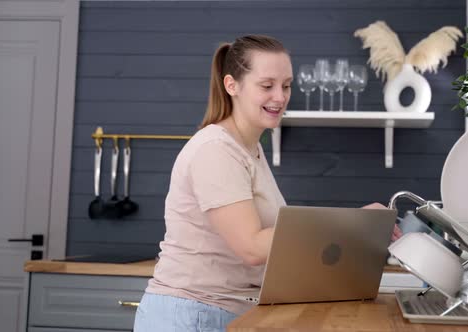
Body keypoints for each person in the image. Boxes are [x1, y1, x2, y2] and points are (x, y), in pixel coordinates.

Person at [134, 35, 400, 332]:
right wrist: (353, 224)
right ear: (232, 85)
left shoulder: (251, 150)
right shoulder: (216, 150)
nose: (280, 96)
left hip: (224, 311)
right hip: (191, 314)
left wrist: (359, 222)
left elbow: (277, 245)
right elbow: (251, 247)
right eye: (267, 85)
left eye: (286, 85)